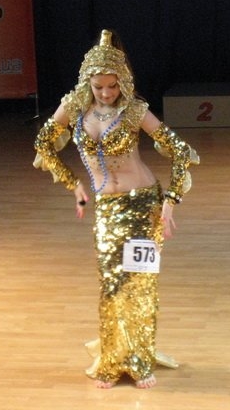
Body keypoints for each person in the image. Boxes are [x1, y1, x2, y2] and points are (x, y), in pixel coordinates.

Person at [33, 29, 199, 389]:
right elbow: (43, 142)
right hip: (108, 207)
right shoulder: (73, 107)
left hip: (144, 204)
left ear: (121, 82)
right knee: (111, 284)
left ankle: (138, 361)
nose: (107, 93)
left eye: (112, 86)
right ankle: (111, 361)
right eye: (99, 87)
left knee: (139, 284)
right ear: (87, 83)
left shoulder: (134, 110)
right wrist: (73, 184)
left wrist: (171, 201)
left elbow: (180, 151)